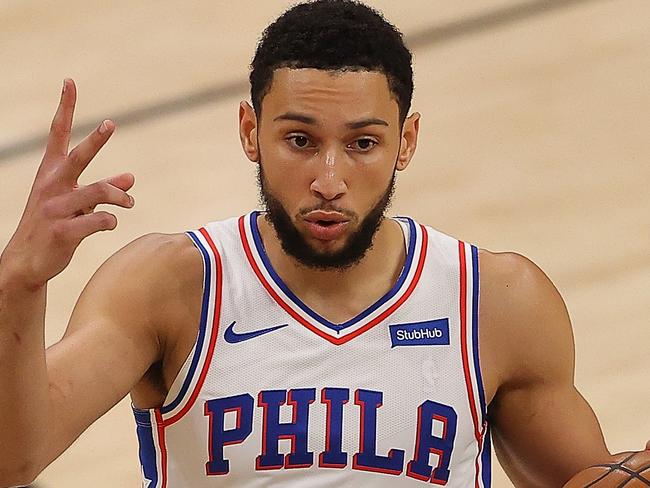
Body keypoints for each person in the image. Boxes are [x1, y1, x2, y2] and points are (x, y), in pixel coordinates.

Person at [0, 1, 647, 487]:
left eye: (363, 143)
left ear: (407, 141)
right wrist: (19, 284)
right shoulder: (167, 288)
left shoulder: (495, 302)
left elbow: (580, 483)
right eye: (301, 141)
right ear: (251, 132)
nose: (329, 181)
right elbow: (14, 457)